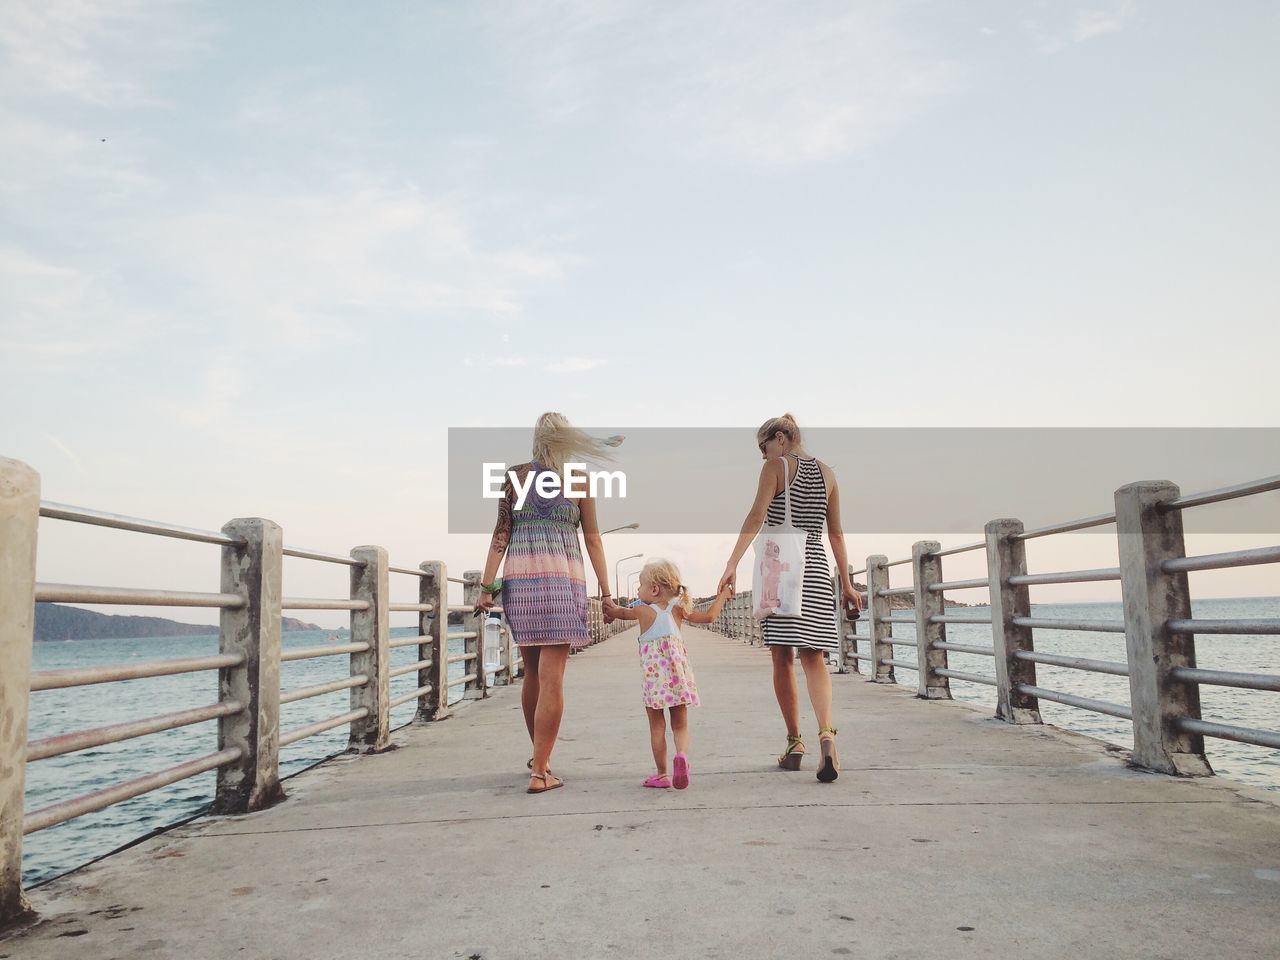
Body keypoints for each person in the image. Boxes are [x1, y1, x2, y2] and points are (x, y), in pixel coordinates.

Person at [475, 412, 620, 794]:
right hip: (561, 583)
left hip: (520, 583)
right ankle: (540, 772)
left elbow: (501, 534)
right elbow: (593, 540)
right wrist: (606, 593)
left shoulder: (515, 477)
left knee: (533, 674)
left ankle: (540, 756)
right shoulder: (579, 481)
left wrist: (486, 586)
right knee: (553, 677)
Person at [718, 413, 862, 783]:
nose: (761, 456)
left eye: (762, 447)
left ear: (779, 438)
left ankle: (795, 742)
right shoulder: (829, 473)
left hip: (780, 564)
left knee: (782, 656)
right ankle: (827, 735)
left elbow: (755, 516)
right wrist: (845, 584)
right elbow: (838, 536)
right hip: (814, 564)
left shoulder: (777, 467)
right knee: (814, 656)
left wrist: (731, 563)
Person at [604, 559, 731, 790]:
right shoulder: (678, 610)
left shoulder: (641, 611)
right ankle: (681, 755)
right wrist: (722, 596)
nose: (638, 590)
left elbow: (619, 612)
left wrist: (610, 610)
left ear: (654, 589)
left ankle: (662, 774)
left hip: (654, 682)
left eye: (640, 585)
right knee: (680, 725)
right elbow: (709, 617)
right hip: (678, 679)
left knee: (657, 726)